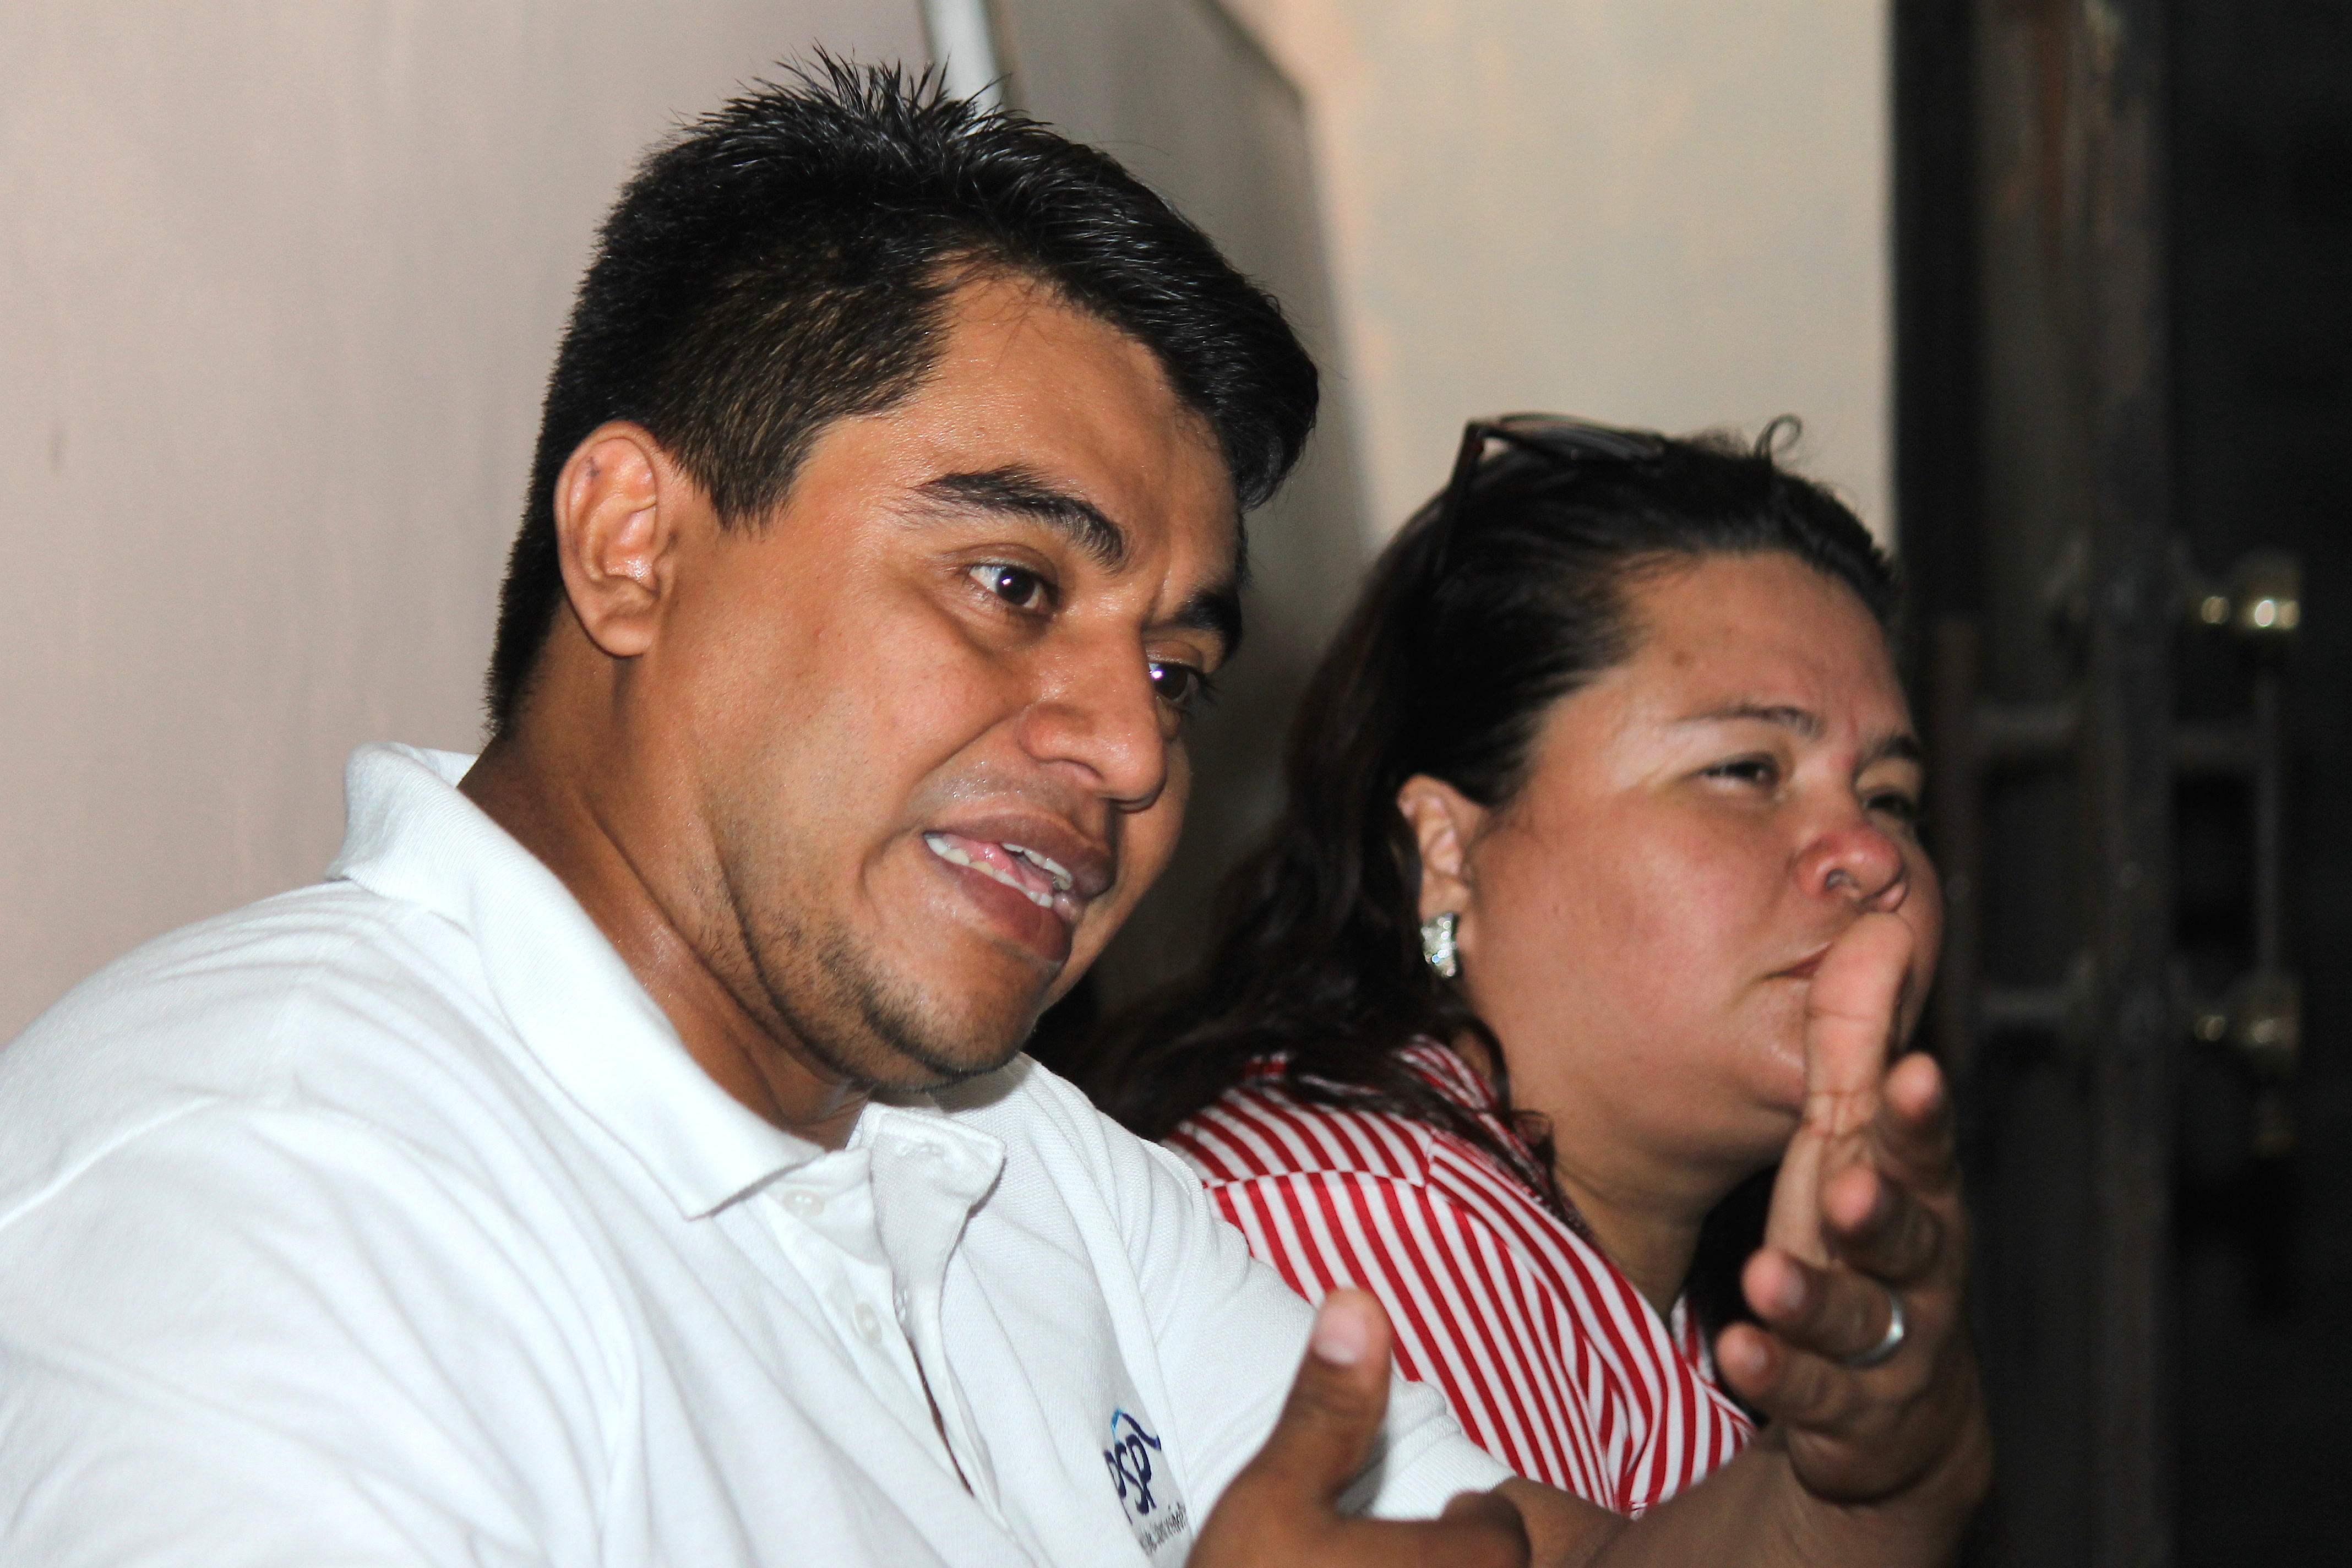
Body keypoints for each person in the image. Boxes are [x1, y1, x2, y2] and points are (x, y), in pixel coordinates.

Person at [0, 64, 1988, 1568]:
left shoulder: (1022, 1165)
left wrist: (1862, 1466)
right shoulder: (264, 1175)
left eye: (1178, 670)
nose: (1131, 751)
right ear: (633, 545)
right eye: (1015, 584)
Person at [1085, 415, 1957, 1515]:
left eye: (1891, 798)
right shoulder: (1364, 1224)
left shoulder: (1620, 1284)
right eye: (1747, 769)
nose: (1872, 855)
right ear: (1448, 854)